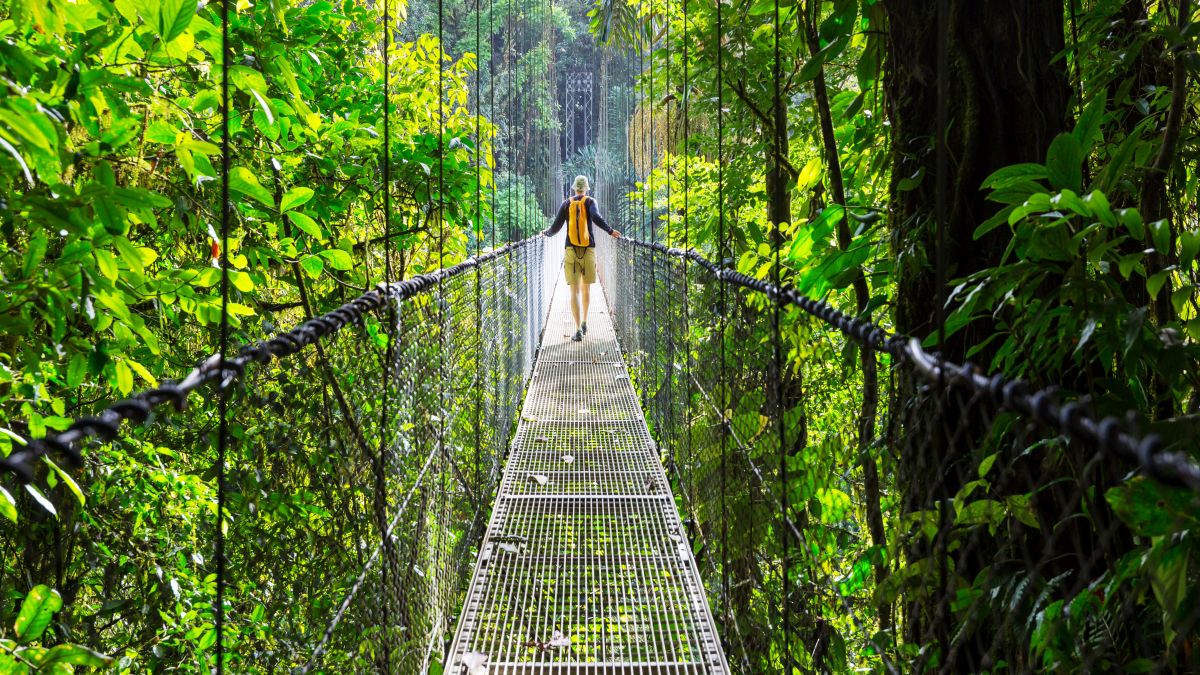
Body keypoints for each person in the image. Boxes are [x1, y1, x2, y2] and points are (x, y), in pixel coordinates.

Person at [542, 175, 621, 341]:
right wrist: (610, 230)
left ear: (573, 188)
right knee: (586, 288)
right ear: (586, 188)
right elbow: (596, 218)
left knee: (573, 290)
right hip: (588, 250)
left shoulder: (566, 204)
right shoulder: (590, 201)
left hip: (570, 250)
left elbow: (556, 226)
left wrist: (546, 233)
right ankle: (585, 321)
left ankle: (577, 329)